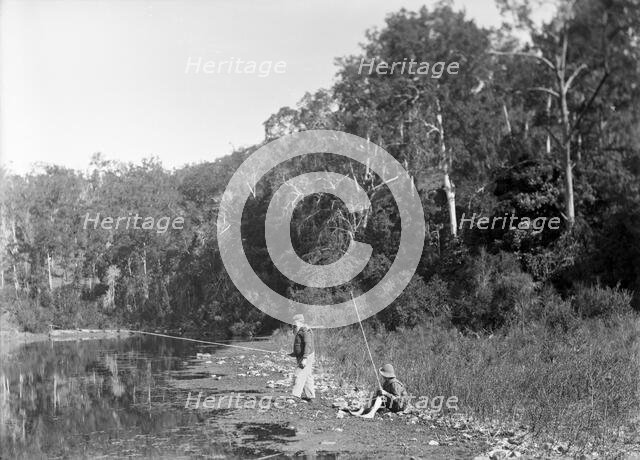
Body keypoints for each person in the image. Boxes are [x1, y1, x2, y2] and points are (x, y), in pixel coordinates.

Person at [290, 314, 315, 402]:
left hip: (306, 356)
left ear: (300, 322)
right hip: (303, 355)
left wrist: (304, 358)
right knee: (307, 375)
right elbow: (300, 344)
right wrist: (295, 353)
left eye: (295, 323)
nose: (293, 325)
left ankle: (295, 395)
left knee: (299, 373)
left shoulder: (305, 330)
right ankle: (311, 396)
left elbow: (308, 344)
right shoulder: (300, 330)